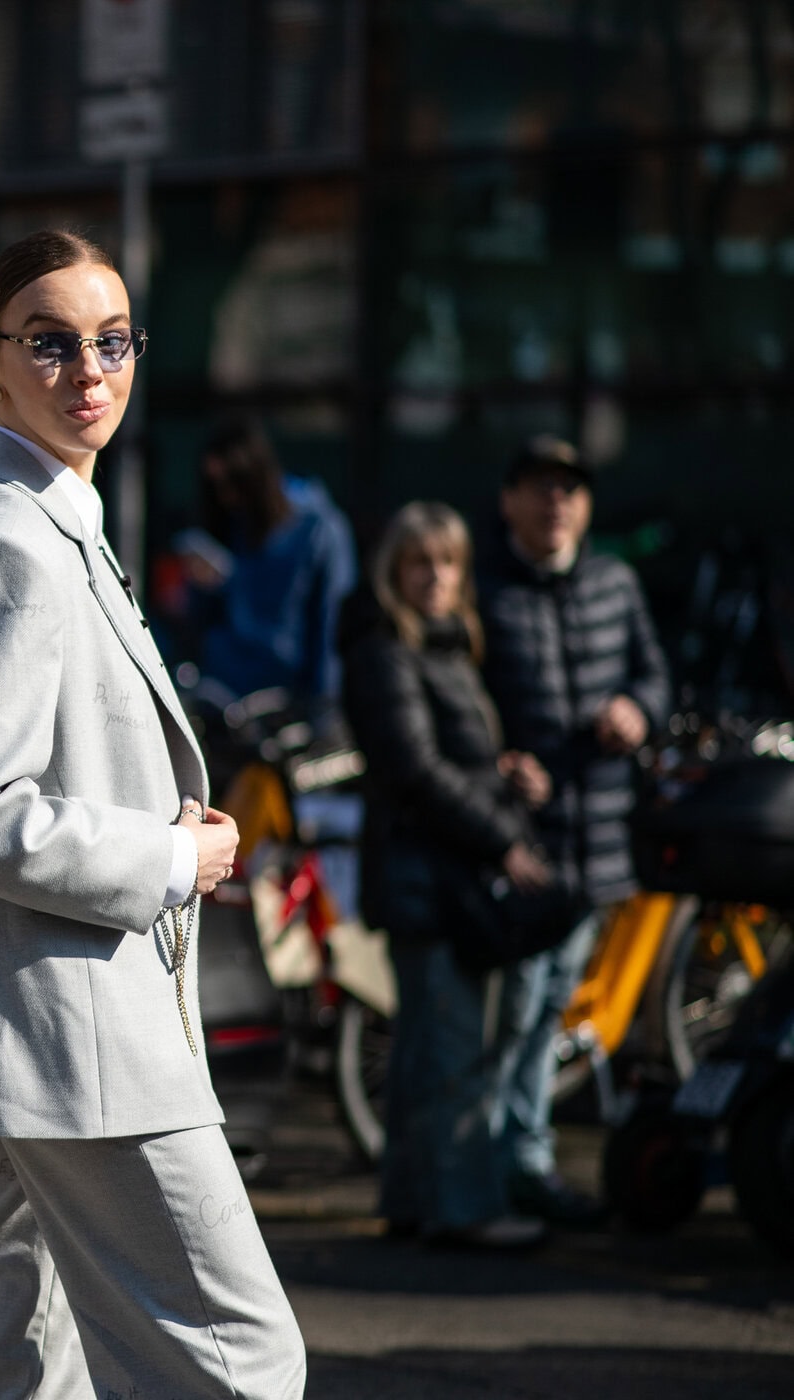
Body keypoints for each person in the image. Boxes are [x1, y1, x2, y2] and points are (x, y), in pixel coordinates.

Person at [0, 229, 305, 1398]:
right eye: (49, 342)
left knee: (26, 1345)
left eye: (112, 340)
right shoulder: (11, 539)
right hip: (77, 1030)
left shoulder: (45, 515)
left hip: (49, 1023)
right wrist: (170, 853)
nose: (89, 369)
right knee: (242, 1360)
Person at [340, 501, 553, 1249]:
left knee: (425, 1056)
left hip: (437, 875)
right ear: (394, 571)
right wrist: (504, 839)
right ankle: (465, 1212)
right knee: (453, 1057)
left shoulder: (444, 644)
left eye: (449, 562)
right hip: (428, 883)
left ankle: (414, 1202)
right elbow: (416, 772)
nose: (435, 577)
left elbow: (441, 760)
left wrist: (503, 773)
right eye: (419, 562)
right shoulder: (385, 648)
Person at [480, 434, 670, 1226]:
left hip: (601, 835)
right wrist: (497, 763)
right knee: (518, 1009)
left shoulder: (615, 583)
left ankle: (522, 1157)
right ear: (510, 501)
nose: (557, 503)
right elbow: (464, 710)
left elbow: (654, 674)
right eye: (541, 488)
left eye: (571, 489)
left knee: (553, 1006)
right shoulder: (487, 596)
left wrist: (640, 710)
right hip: (526, 846)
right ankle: (503, 1165)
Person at [181, 413, 356, 715]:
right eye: (216, 485)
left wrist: (325, 708)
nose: (226, 496)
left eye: (233, 483)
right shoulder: (228, 525)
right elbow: (205, 623)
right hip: (223, 698)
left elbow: (332, 625)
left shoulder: (319, 529)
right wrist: (204, 588)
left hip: (288, 703)